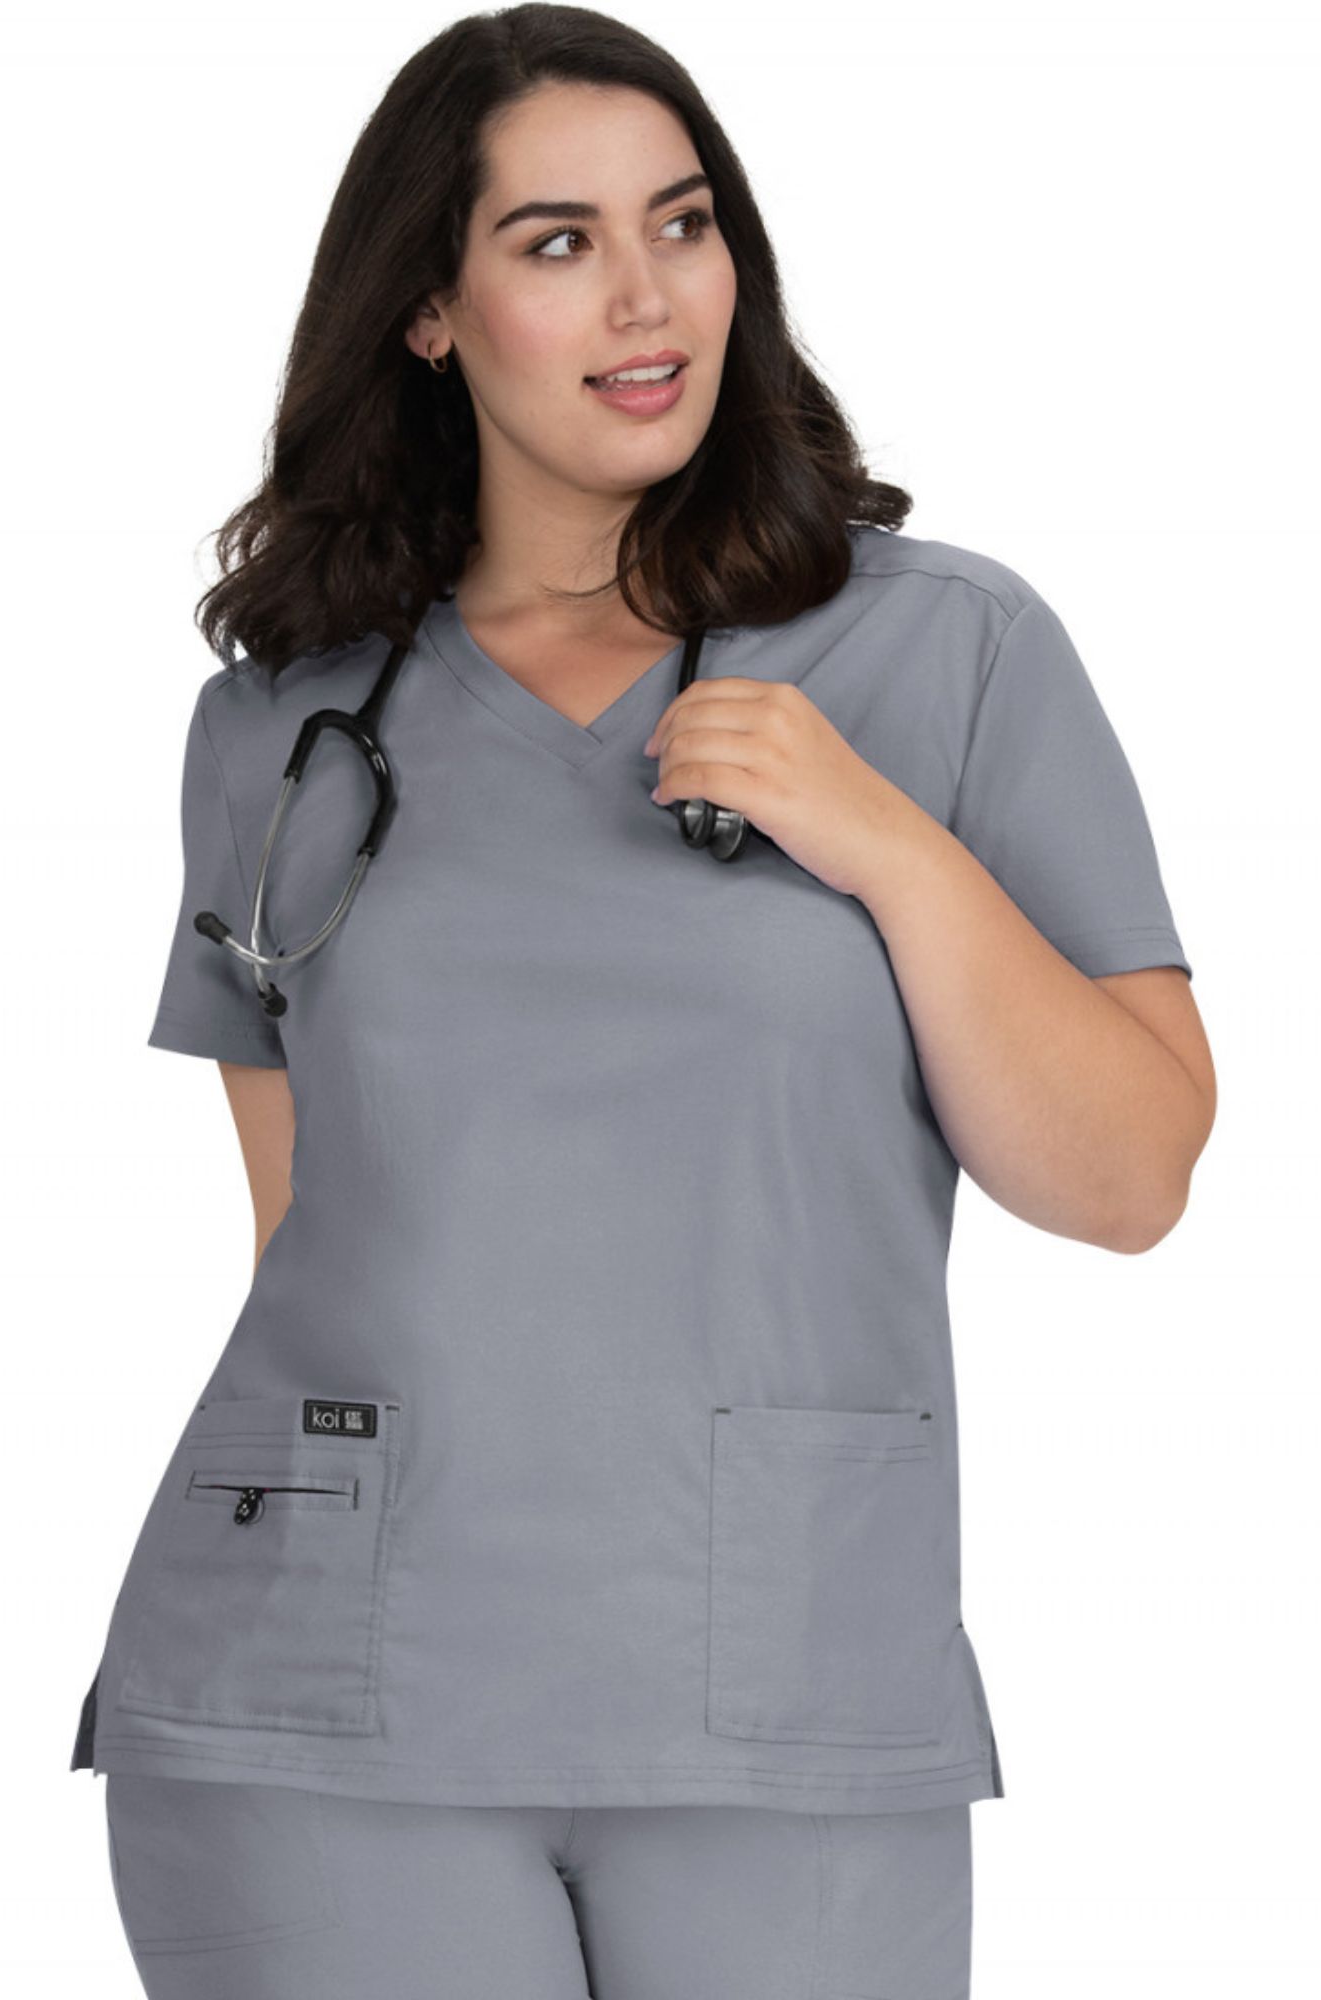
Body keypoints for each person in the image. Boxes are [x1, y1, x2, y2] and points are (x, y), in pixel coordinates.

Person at [69, 7, 1217, 1995]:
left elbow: (1129, 1181)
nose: (645, 294)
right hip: (316, 1700)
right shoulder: (284, 724)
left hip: (789, 1680)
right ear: (429, 312)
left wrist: (883, 843)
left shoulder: (944, 650)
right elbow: (313, 1240)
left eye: (682, 224)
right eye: (556, 241)